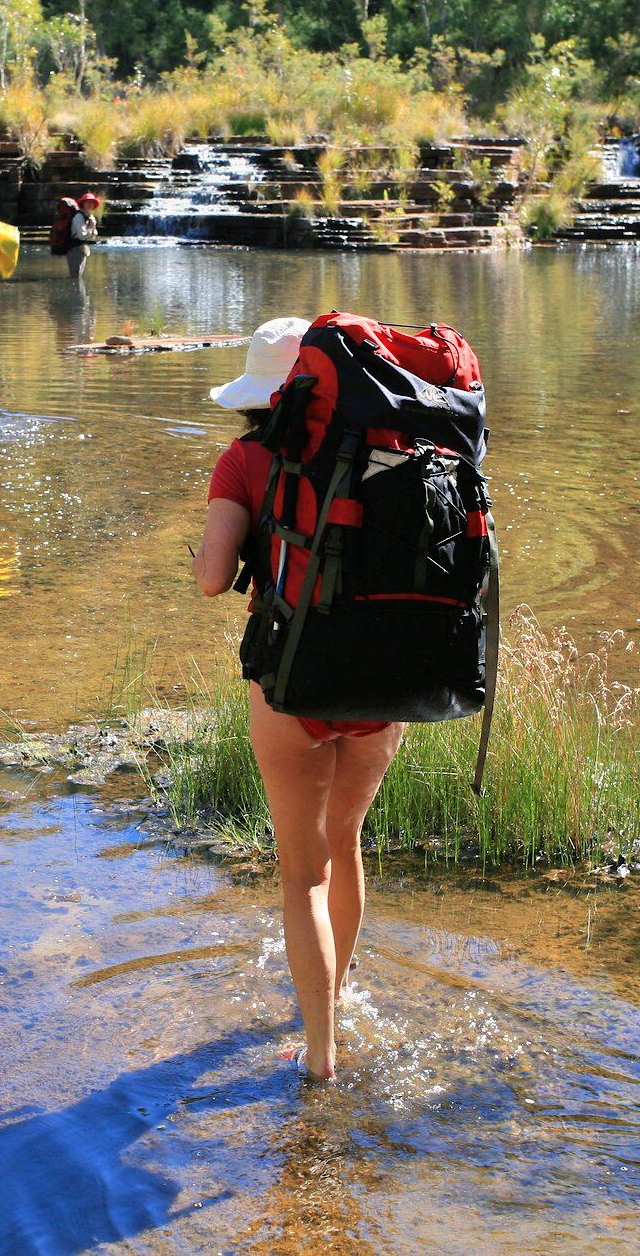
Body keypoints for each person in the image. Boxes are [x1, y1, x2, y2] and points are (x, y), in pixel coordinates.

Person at [189, 316, 406, 1084]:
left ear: (259, 394)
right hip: (385, 682)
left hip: (292, 684)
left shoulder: (246, 458)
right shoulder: (389, 452)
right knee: (345, 847)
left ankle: (319, 1058)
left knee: (302, 873)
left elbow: (215, 577)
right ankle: (336, 999)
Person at [67, 191, 102, 282]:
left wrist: (93, 226)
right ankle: (76, 295)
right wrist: (91, 228)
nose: (90, 205)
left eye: (92, 203)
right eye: (88, 202)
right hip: (74, 248)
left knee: (78, 275)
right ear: (83, 204)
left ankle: (80, 295)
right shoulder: (78, 217)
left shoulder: (89, 216)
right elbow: (82, 236)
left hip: (81, 248)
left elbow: (94, 236)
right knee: (75, 276)